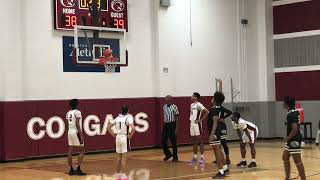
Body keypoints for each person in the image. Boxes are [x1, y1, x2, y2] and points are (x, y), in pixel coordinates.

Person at [108, 105, 136, 178]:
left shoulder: (117, 118)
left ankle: (117, 175)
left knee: (118, 158)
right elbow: (133, 128)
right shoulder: (128, 118)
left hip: (118, 138)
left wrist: (113, 135)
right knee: (123, 159)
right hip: (124, 138)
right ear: (128, 110)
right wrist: (130, 136)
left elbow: (108, 127)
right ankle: (123, 176)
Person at [282, 96, 306, 180]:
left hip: (294, 139)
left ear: (287, 104)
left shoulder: (291, 114)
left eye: (284, 102)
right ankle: (287, 177)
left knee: (297, 160)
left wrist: (287, 138)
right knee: (285, 157)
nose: (283, 103)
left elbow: (295, 129)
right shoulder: (293, 112)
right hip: (292, 139)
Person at [208, 92, 229, 178]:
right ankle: (224, 168)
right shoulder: (219, 108)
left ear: (215, 100)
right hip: (219, 131)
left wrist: (212, 134)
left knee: (216, 151)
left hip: (215, 132)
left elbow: (215, 122)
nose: (212, 98)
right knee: (219, 150)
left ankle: (220, 172)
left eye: (213, 97)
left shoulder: (214, 109)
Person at [66, 99, 86, 176]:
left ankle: (70, 169)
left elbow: (67, 124)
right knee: (82, 150)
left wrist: (67, 133)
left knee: (70, 150)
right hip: (75, 132)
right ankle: (78, 168)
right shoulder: (77, 112)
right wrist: (81, 135)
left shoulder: (68, 113)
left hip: (70, 132)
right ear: (77, 105)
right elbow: (77, 124)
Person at [188, 92, 209, 164]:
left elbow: (206, 112)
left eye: (192, 96)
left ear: (196, 97)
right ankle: (195, 157)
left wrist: (201, 120)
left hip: (197, 124)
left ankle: (202, 158)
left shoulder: (199, 105)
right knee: (194, 141)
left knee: (200, 140)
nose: (191, 97)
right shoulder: (191, 105)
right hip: (192, 123)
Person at [162, 95, 179, 162]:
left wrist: (176, 128)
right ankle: (168, 154)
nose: (165, 99)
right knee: (163, 141)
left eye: (167, 98)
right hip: (166, 125)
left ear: (170, 99)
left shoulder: (174, 107)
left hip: (172, 125)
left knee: (173, 142)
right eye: (165, 97)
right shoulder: (164, 106)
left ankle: (175, 157)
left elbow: (177, 118)